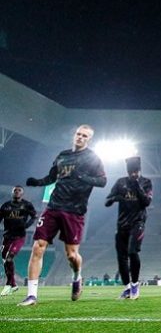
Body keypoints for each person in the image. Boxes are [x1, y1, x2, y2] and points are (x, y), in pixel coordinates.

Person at [19, 124, 106, 306]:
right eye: (78, 134)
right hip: (53, 206)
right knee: (38, 247)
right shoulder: (63, 155)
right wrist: (37, 182)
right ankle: (32, 295)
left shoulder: (92, 158)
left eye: (84, 136)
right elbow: (52, 177)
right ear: (74, 135)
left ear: (89, 140)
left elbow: (102, 181)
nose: (80, 137)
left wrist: (83, 177)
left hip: (74, 211)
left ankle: (76, 277)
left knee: (71, 255)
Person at [105, 156, 153, 300]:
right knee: (121, 257)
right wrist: (115, 198)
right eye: (131, 171)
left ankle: (135, 285)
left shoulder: (146, 183)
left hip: (138, 222)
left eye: (136, 171)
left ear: (140, 170)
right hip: (122, 224)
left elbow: (146, 202)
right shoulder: (120, 182)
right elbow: (107, 201)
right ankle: (126, 288)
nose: (134, 174)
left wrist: (137, 185)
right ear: (127, 171)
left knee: (133, 252)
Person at [0, 186, 37, 296]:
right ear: (12, 192)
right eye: (15, 190)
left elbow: (34, 216)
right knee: (5, 260)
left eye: (19, 190)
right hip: (7, 236)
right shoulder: (6, 206)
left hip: (19, 236)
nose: (17, 192)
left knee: (9, 257)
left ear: (22, 193)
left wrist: (26, 225)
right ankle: (13, 284)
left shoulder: (27, 205)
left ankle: (8, 284)